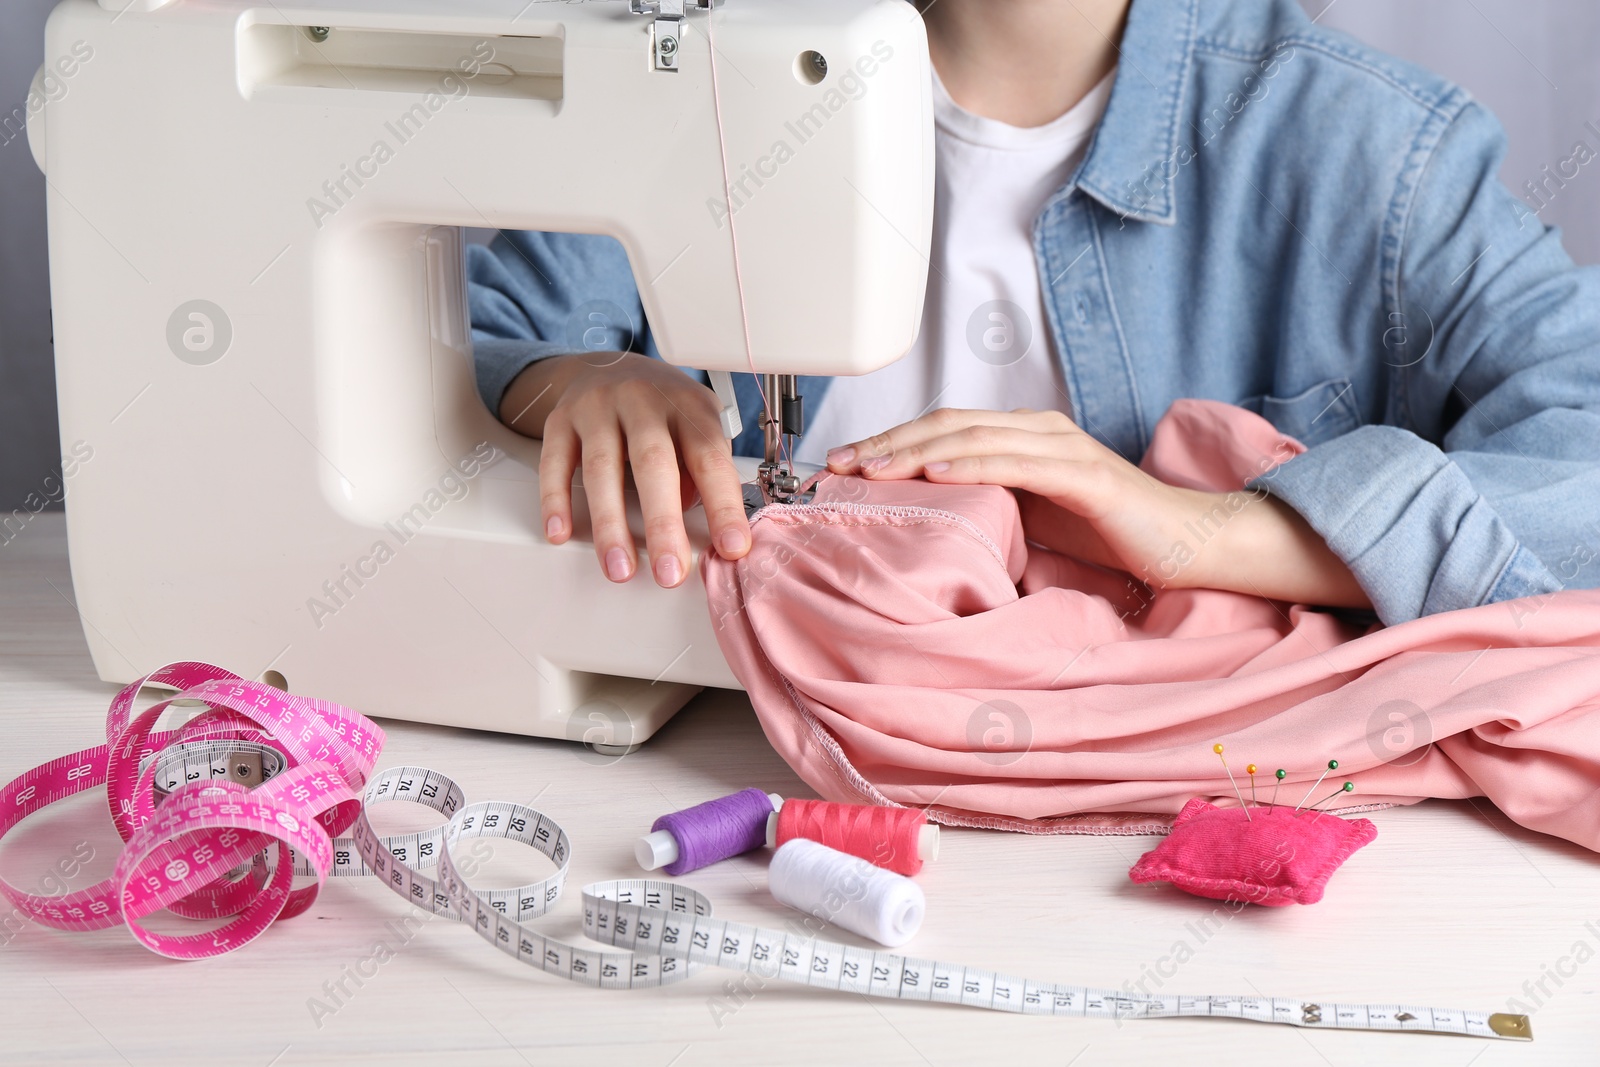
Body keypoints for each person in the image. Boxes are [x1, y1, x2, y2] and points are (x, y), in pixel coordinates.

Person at [466, 0, 1600, 626]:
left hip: (1164, 792)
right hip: (742, 751)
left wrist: (1206, 530)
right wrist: (570, 379)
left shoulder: (1371, 146)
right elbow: (474, 326)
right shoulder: (701, 74)